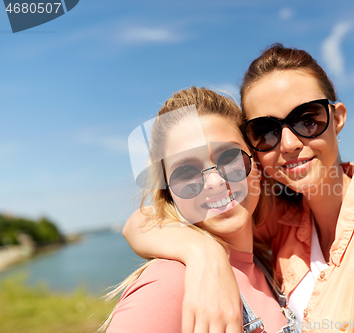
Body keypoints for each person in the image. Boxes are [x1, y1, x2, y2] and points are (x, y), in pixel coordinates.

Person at [123, 44, 354, 333]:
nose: (291, 143)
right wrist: (203, 254)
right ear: (254, 148)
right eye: (266, 130)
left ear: (337, 118)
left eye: (307, 119)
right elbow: (143, 220)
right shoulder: (273, 220)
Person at [102, 87, 292, 333]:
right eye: (186, 172)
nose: (214, 182)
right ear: (169, 191)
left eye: (229, 157)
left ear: (255, 161)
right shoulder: (169, 283)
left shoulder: (268, 265)